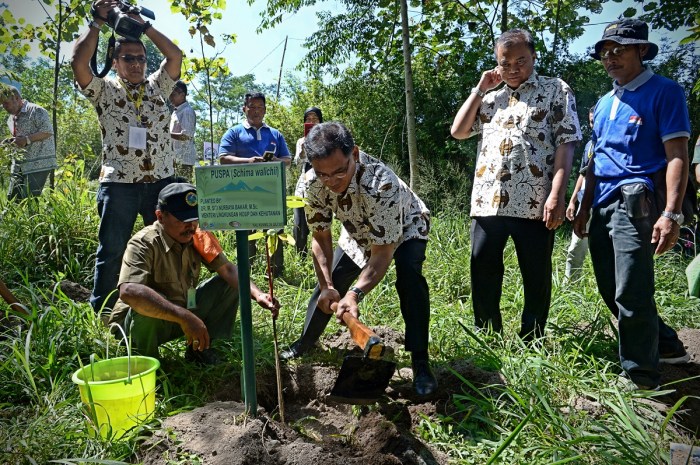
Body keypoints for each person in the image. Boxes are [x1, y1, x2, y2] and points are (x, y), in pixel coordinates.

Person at [574, 19, 691, 390]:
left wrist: (671, 213)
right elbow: (594, 158)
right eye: (605, 53)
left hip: (636, 204)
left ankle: (641, 376)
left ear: (641, 50)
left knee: (632, 290)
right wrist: (582, 204)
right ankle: (669, 346)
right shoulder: (605, 102)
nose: (611, 58)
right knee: (612, 289)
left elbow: (677, 156)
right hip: (602, 204)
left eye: (619, 50)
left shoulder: (665, 92)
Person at [280, 122, 438, 396]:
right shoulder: (310, 184)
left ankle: (421, 362)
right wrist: (328, 284)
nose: (331, 181)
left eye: (339, 171)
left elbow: (382, 254)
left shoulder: (381, 184)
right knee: (328, 284)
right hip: (356, 230)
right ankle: (305, 342)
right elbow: (320, 238)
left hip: (405, 228)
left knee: (410, 280)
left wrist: (354, 294)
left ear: (354, 153)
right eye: (323, 174)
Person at [450, 29, 581, 340]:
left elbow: (566, 144)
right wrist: (479, 89)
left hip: (535, 202)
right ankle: (489, 336)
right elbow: (458, 131)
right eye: (504, 63)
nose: (513, 68)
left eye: (520, 61)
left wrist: (557, 196)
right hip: (487, 201)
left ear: (533, 57)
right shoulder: (490, 98)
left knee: (536, 275)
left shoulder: (555, 89)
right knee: (482, 270)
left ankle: (532, 338)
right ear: (496, 65)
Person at [71, 0, 183, 316]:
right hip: (119, 184)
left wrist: (143, 26)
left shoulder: (158, 86)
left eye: (141, 59)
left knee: (167, 246)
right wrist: (97, 22)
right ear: (115, 61)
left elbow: (174, 55)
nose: (136, 64)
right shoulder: (104, 90)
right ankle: (103, 313)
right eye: (128, 58)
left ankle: (171, 309)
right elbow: (79, 65)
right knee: (112, 252)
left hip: (161, 183)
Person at [109, 183, 280, 362]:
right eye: (182, 220)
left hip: (182, 313)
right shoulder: (144, 243)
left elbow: (228, 270)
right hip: (142, 325)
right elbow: (129, 291)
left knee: (229, 285)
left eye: (195, 219)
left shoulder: (196, 235)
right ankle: (145, 363)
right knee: (144, 303)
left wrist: (258, 294)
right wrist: (184, 316)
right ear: (160, 216)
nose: (191, 226)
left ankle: (200, 349)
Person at [218, 92, 291, 277]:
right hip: (243, 191)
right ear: (244, 108)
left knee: (273, 231)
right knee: (246, 230)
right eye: (252, 107)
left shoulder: (275, 134)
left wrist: (275, 160)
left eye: (260, 107)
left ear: (265, 110)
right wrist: (248, 162)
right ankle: (246, 271)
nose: (256, 111)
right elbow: (223, 158)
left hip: (271, 190)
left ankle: (275, 272)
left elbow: (287, 160)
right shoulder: (234, 132)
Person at [1, 85, 57, 200]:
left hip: (38, 163)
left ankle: (35, 218)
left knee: (30, 199)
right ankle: (12, 219)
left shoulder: (36, 110)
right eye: (2, 104)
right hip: (19, 163)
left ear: (16, 98)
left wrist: (26, 139)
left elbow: (47, 131)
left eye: (6, 103)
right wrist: (10, 142)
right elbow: (18, 138)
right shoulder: (11, 119)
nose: (3, 106)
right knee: (12, 198)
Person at [564, 108, 595, 281]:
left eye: (595, 120)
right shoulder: (589, 145)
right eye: (590, 121)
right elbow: (583, 174)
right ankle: (570, 285)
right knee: (575, 247)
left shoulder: (613, 141)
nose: (593, 125)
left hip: (605, 203)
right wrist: (572, 201)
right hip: (584, 205)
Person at [292, 106, 323, 256]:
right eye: (308, 119)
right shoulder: (301, 141)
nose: (311, 122)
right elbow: (297, 163)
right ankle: (300, 256)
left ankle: (319, 255)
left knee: (320, 224)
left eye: (315, 119)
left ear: (321, 121)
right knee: (299, 223)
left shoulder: (327, 138)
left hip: (322, 187)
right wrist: (304, 149)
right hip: (303, 186)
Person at [169, 80, 197, 181]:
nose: (171, 98)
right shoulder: (175, 112)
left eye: (174, 94)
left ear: (183, 95)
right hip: (175, 159)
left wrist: (166, 135)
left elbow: (186, 136)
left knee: (183, 191)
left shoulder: (187, 111)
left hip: (184, 160)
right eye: (169, 95)